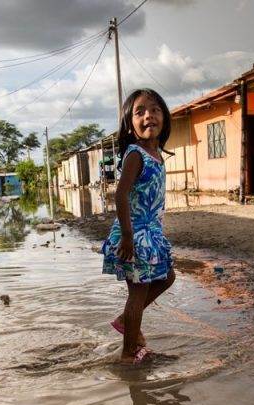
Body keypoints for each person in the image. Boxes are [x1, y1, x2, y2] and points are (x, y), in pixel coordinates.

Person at [102, 88, 176, 365]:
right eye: (140, 111)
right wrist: (129, 236)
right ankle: (128, 354)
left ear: (165, 118)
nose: (149, 116)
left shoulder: (155, 153)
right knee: (138, 292)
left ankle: (126, 323)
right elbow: (120, 194)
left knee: (166, 278)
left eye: (155, 110)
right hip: (136, 234)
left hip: (150, 232)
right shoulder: (135, 154)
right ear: (129, 125)